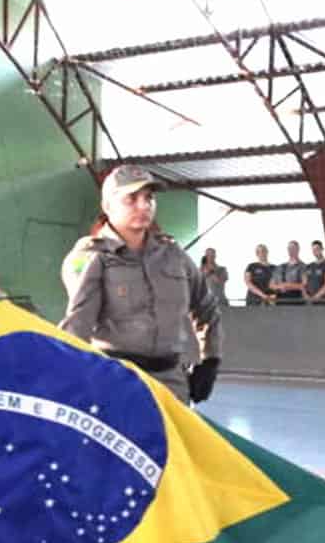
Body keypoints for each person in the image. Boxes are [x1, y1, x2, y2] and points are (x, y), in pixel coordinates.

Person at [61, 165, 223, 405]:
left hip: (171, 385)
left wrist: (210, 360)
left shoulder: (173, 255)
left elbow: (207, 309)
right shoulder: (91, 256)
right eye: (131, 198)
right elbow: (77, 326)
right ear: (107, 206)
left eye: (149, 197)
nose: (144, 205)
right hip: (116, 384)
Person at [271, 240, 307, 305]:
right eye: (289, 248)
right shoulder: (280, 267)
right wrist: (280, 287)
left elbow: (304, 284)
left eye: (293, 248)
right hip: (280, 300)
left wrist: (287, 286)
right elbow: (271, 285)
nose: (291, 250)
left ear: (298, 249)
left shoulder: (303, 266)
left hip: (296, 300)